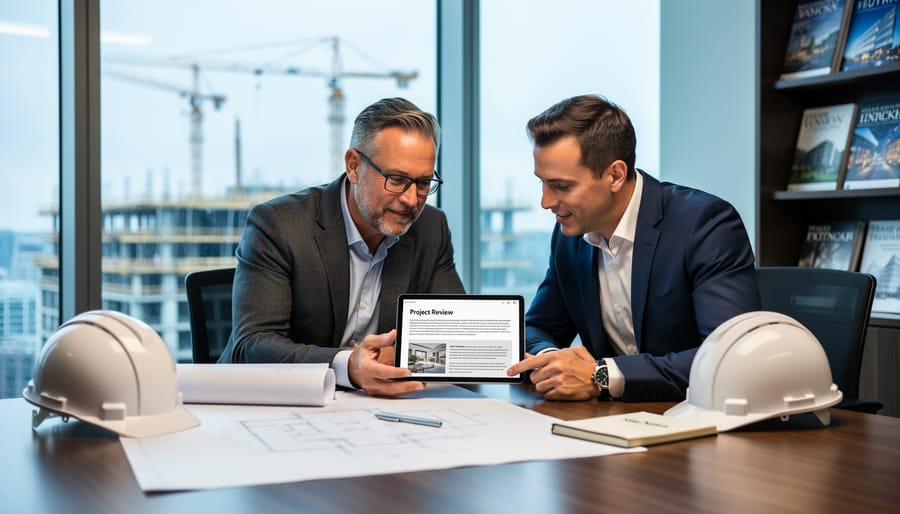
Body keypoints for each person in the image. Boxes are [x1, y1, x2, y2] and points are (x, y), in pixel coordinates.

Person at [506, 94, 760, 402]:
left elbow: (728, 357)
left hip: (698, 421)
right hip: (612, 424)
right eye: (542, 183)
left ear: (615, 175)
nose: (545, 202)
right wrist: (551, 362)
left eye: (561, 186)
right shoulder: (569, 237)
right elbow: (537, 327)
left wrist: (601, 375)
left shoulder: (704, 225)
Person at [218, 97, 465, 396]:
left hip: (380, 411)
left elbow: (457, 337)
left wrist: (400, 353)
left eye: (424, 183)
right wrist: (348, 365)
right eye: (396, 180)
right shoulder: (279, 224)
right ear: (354, 166)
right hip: (283, 404)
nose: (411, 200)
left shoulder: (430, 228)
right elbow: (251, 346)